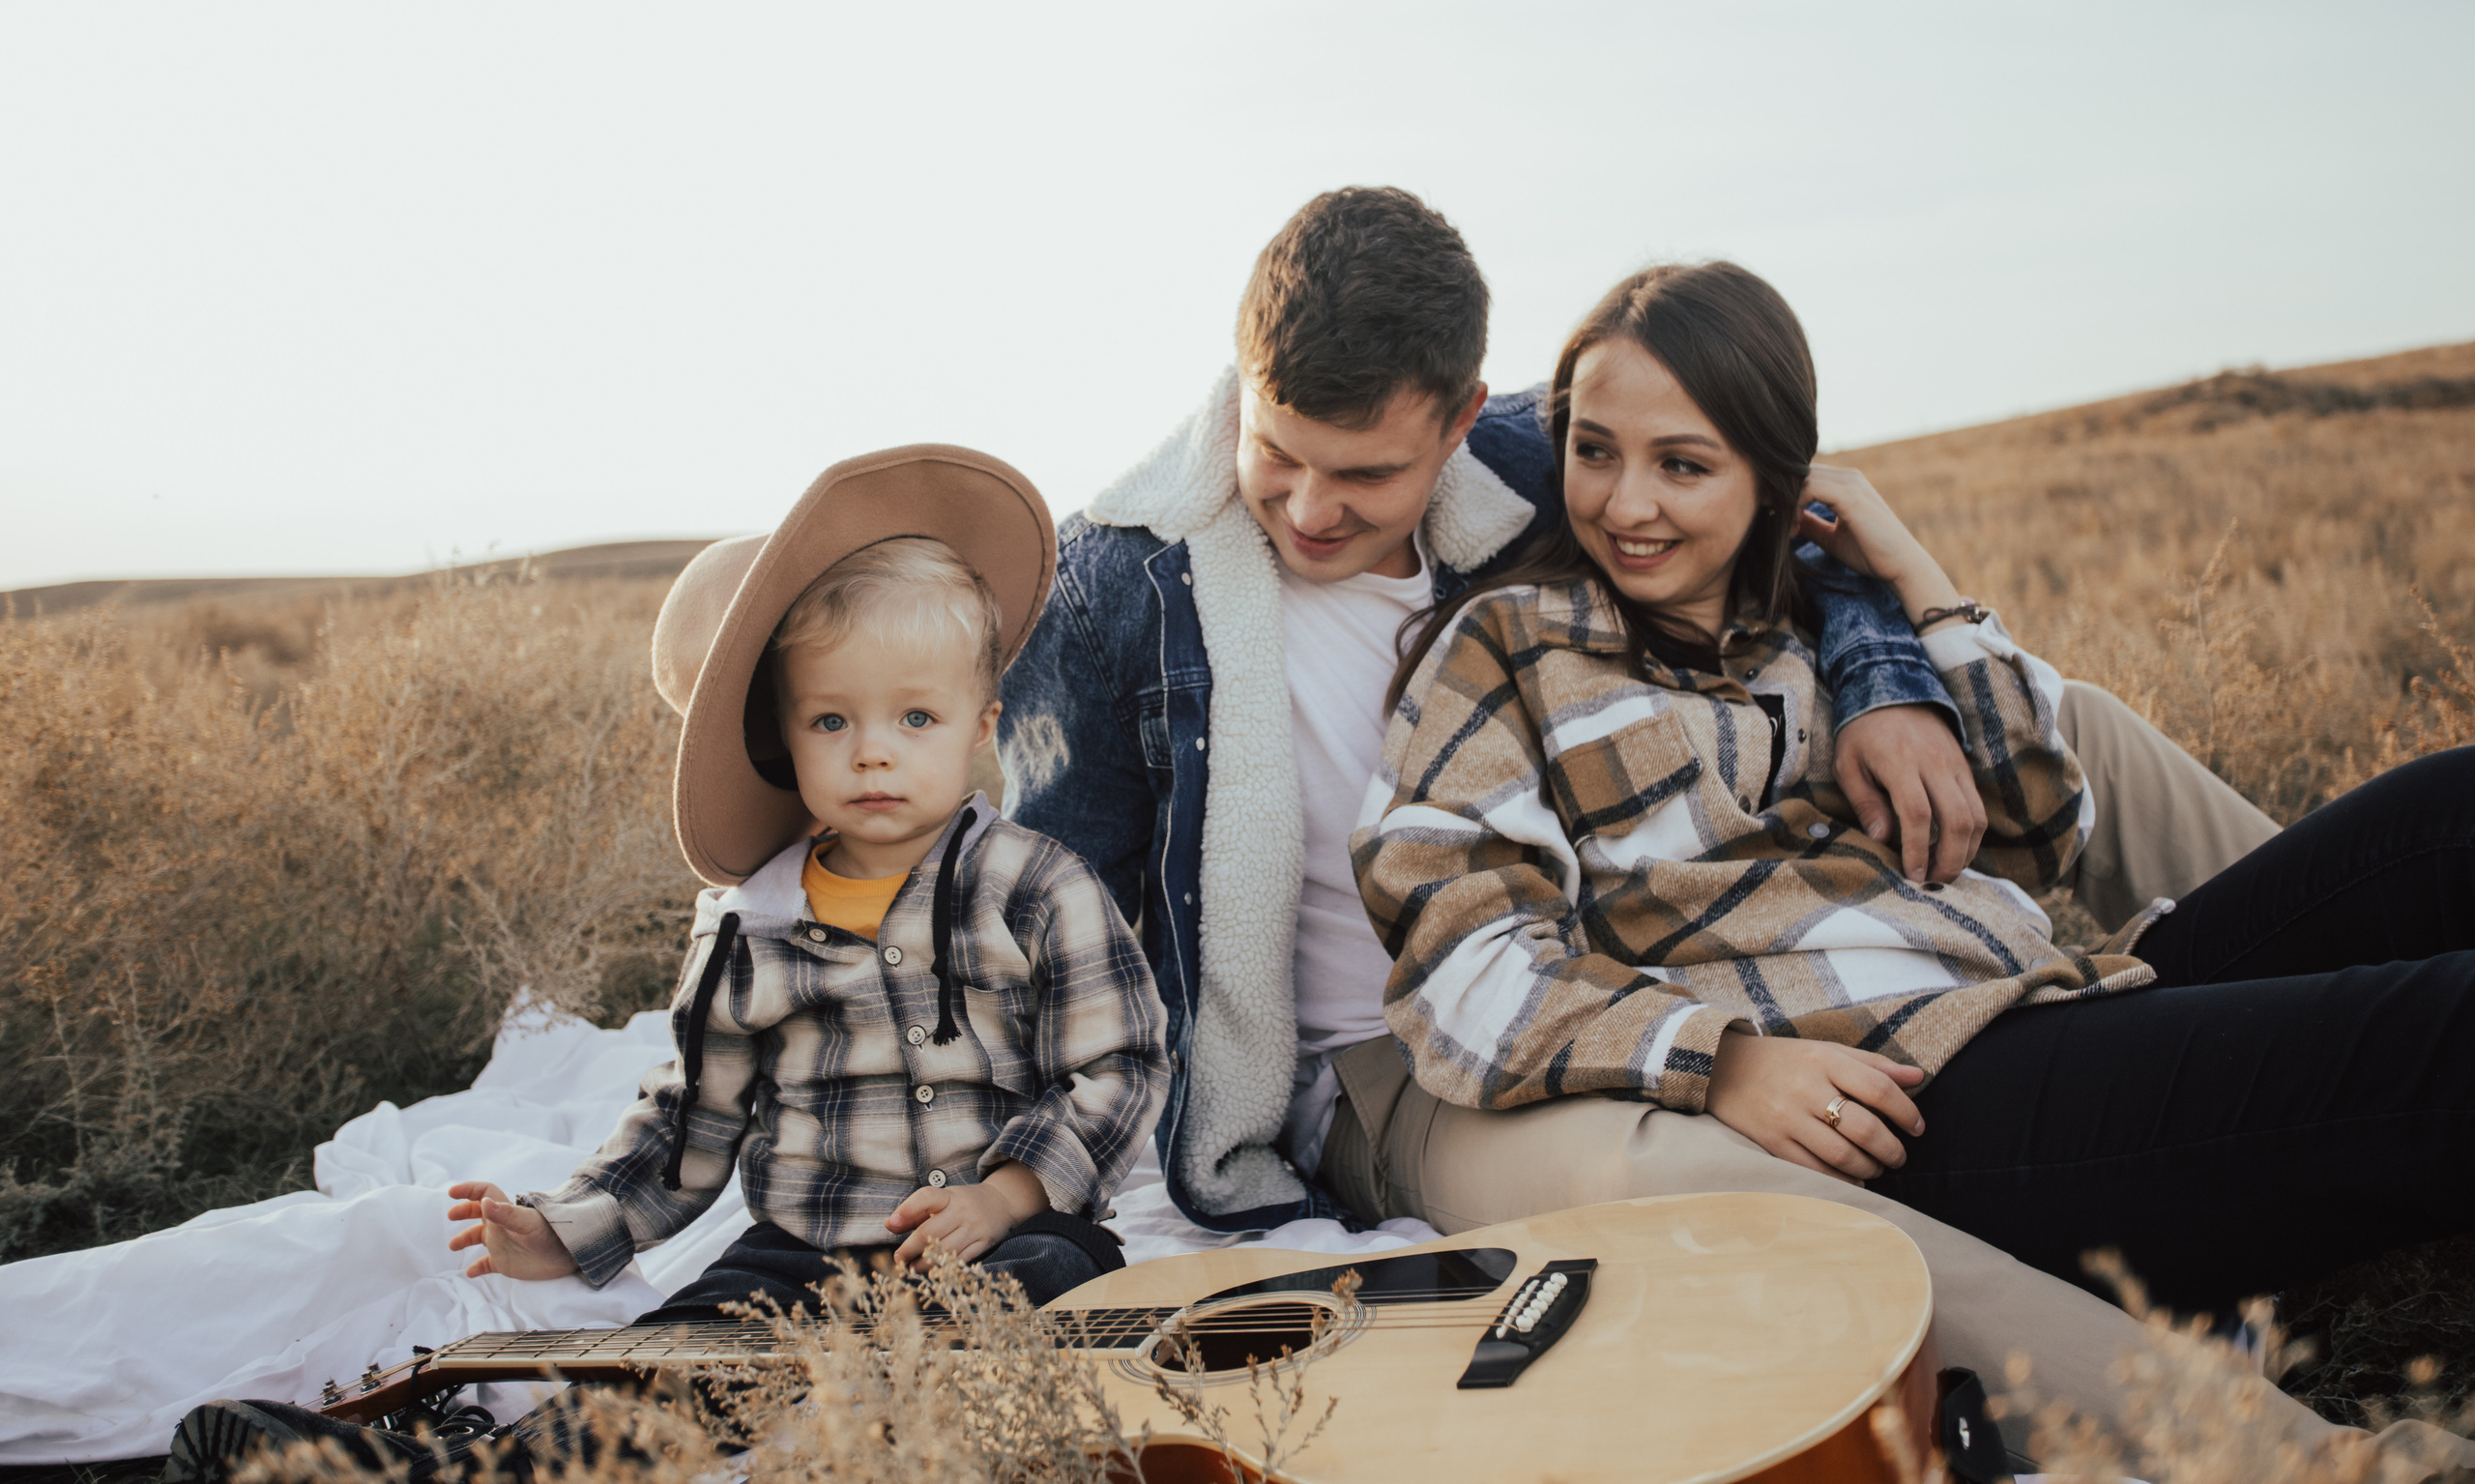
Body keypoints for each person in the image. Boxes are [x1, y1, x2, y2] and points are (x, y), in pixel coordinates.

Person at [996, 187, 2320, 1463]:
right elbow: (1058, 931)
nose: (1305, 507)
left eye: (1365, 472)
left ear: (1458, 421)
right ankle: (2257, 1447)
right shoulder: (1115, 591)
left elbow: (1792, 536)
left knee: (2077, 719)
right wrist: (1070, 1200)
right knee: (1695, 1181)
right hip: (1390, 1063)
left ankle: (2327, 997)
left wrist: (1887, 687)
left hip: (1636, 941)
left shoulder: (1550, 456)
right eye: (1276, 451)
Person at [1353, 258, 2475, 1469]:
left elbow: (2042, 823)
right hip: (1912, 1097)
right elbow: (1461, 959)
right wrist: (1715, 1060)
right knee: (2435, 1036)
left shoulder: (1831, 626)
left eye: (1683, 465)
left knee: (2447, 812)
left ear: (1775, 476)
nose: (1627, 504)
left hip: (2050, 1003)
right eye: (1594, 452)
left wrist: (1912, 586)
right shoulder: (1508, 647)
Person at [163, 447, 1167, 1484]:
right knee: (674, 1359)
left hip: (1001, 1234)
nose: (873, 751)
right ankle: (472, 1473)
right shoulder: (751, 923)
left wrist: (1010, 1191)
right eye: (832, 720)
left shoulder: (1037, 887)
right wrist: (569, 1229)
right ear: (787, 738)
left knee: (1041, 1292)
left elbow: (1121, 1058)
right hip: (807, 1248)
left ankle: (906, 1443)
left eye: (916, 717)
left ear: (982, 725)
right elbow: (691, 1112)